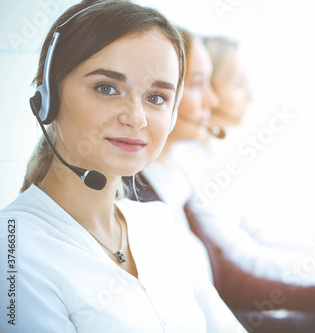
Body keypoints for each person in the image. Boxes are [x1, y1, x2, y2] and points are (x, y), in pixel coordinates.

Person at [133, 30, 315, 333]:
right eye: (200, 84)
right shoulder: (158, 186)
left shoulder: (181, 178)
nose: (212, 100)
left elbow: (265, 233)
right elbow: (233, 275)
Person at [0, 1, 246, 332]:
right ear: (48, 98)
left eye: (156, 97)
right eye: (106, 88)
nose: (136, 117)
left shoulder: (159, 224)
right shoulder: (12, 246)